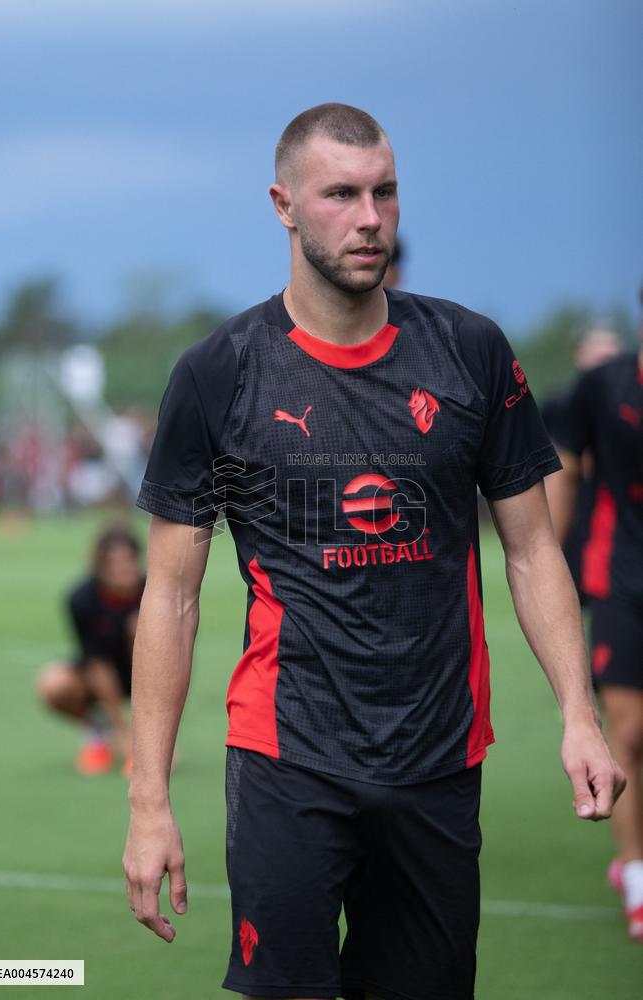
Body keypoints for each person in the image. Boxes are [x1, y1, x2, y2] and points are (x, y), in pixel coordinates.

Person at [123, 103, 625, 999]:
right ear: (283, 204)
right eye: (341, 195)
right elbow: (172, 597)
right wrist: (149, 802)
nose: (370, 219)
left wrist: (579, 717)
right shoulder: (220, 373)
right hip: (288, 756)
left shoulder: (470, 353)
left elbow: (532, 550)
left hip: (439, 758)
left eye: (385, 193)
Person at [546, 311, 643, 942]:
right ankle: (636, 879)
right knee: (629, 732)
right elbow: (563, 463)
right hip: (621, 582)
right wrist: (548, 558)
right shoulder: (604, 385)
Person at [36, 524, 144, 776]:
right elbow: (98, 664)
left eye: (128, 560)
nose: (122, 569)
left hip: (143, 673)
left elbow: (170, 663)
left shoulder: (153, 591)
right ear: (100, 565)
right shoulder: (82, 598)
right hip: (99, 675)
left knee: (138, 625)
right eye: (113, 563)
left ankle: (151, 741)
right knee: (53, 683)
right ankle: (100, 733)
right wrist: (122, 733)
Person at [542, 326, 621, 600]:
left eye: (611, 359)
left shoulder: (629, 404)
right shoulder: (560, 402)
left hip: (613, 509)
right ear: (580, 355)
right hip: (571, 503)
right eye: (598, 359)